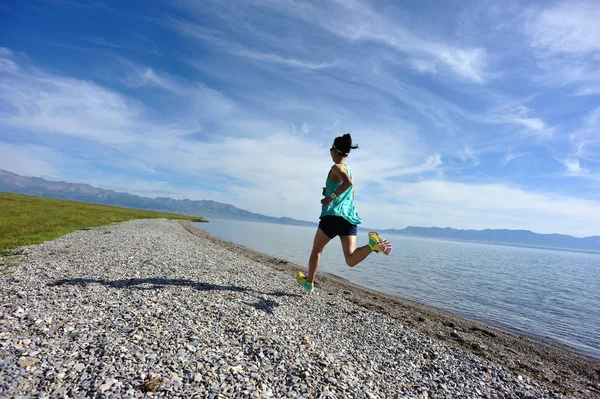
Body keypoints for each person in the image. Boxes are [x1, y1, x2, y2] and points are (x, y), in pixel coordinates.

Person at [296, 133, 392, 293]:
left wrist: (330, 198)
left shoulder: (336, 167)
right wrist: (330, 191)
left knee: (316, 251)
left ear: (335, 151)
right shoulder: (349, 169)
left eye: (330, 149)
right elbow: (351, 193)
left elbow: (348, 183)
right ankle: (371, 246)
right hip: (350, 218)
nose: (330, 153)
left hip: (333, 216)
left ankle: (309, 283)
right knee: (350, 259)